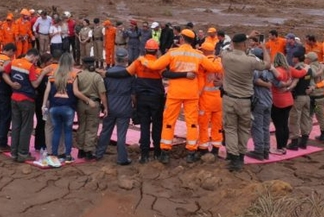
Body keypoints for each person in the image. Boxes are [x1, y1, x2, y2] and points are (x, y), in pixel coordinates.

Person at [141, 29, 222, 164]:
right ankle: (191, 151)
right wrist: (218, 59)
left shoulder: (173, 53)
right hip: (192, 93)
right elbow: (214, 68)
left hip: (175, 93)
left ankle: (165, 151)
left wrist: (143, 61)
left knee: (169, 121)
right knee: (191, 122)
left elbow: (155, 66)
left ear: (182, 39)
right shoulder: (198, 55)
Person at [104, 40, 165, 163]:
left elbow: (124, 73)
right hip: (156, 99)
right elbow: (166, 74)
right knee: (157, 126)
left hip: (142, 98)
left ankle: (144, 155)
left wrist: (107, 73)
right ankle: (158, 152)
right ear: (157, 50)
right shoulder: (160, 63)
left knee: (144, 125)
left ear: (145, 49)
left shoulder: (138, 62)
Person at [221, 33, 271, 171]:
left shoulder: (226, 56)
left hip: (229, 98)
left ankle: (233, 157)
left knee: (230, 129)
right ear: (244, 44)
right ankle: (241, 155)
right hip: (245, 101)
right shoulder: (250, 60)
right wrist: (264, 48)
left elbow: (226, 48)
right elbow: (267, 65)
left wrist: (238, 41)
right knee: (243, 129)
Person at [43, 53, 93, 163]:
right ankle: (67, 155)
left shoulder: (53, 74)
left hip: (54, 106)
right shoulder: (73, 75)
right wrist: (88, 100)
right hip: (68, 107)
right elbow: (76, 92)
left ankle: (54, 154)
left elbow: (47, 91)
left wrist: (43, 105)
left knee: (56, 131)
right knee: (67, 132)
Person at [3, 48, 51, 162]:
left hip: (14, 97)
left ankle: (14, 152)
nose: (36, 62)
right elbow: (35, 84)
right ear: (33, 56)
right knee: (26, 127)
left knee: (16, 126)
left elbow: (4, 73)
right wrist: (43, 72)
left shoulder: (14, 62)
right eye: (36, 59)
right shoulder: (29, 67)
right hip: (26, 99)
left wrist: (11, 84)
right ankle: (23, 153)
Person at [94, 49, 134, 165]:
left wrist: (105, 106)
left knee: (106, 131)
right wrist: (134, 107)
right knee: (121, 134)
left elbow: (103, 91)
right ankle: (122, 158)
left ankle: (99, 153)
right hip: (124, 106)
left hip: (110, 106)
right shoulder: (130, 74)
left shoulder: (107, 73)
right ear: (126, 59)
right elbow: (133, 94)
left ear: (115, 59)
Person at [75, 55, 107, 160]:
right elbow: (102, 93)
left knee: (82, 126)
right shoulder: (97, 77)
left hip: (81, 102)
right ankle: (88, 150)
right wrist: (105, 107)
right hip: (94, 103)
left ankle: (80, 149)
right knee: (91, 128)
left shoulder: (79, 75)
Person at [247, 48, 274, 160]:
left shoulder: (256, 69)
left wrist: (263, 84)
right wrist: (267, 84)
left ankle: (259, 151)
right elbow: (272, 81)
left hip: (258, 100)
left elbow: (253, 79)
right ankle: (266, 150)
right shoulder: (269, 68)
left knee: (257, 127)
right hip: (268, 100)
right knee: (265, 127)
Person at [286, 47, 312, 150]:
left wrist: (286, 89)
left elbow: (294, 83)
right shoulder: (308, 68)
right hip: (307, 97)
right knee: (305, 119)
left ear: (296, 59)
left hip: (298, 98)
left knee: (294, 120)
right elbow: (313, 81)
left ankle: (294, 142)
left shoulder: (297, 69)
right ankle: (304, 141)